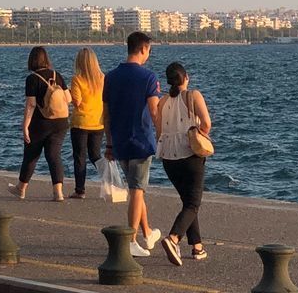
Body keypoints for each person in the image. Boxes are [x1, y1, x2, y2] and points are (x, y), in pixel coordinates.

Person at [104, 31, 162, 258]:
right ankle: (131, 240)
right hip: (141, 140)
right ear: (143, 49)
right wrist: (162, 136)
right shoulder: (148, 77)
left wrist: (109, 144)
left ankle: (148, 233)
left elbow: (106, 114)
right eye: (149, 50)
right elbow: (155, 111)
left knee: (136, 188)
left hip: (119, 140)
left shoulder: (110, 77)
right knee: (137, 190)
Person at [156, 62, 212, 265]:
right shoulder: (193, 95)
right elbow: (206, 123)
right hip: (190, 155)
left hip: (169, 159)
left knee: (188, 202)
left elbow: (159, 131)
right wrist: (199, 136)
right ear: (186, 77)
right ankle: (173, 238)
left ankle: (197, 247)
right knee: (193, 203)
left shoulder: (162, 102)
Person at [8, 46, 72, 201]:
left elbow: (31, 105)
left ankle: (21, 188)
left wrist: (25, 126)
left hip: (40, 123)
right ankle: (58, 192)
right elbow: (69, 99)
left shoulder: (32, 79)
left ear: (31, 60)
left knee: (31, 155)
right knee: (54, 155)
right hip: (61, 122)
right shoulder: (58, 75)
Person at [69, 47, 106, 198]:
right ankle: (111, 180)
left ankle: (80, 190)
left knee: (80, 156)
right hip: (98, 122)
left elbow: (76, 102)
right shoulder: (102, 78)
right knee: (95, 155)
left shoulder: (77, 79)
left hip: (81, 123)